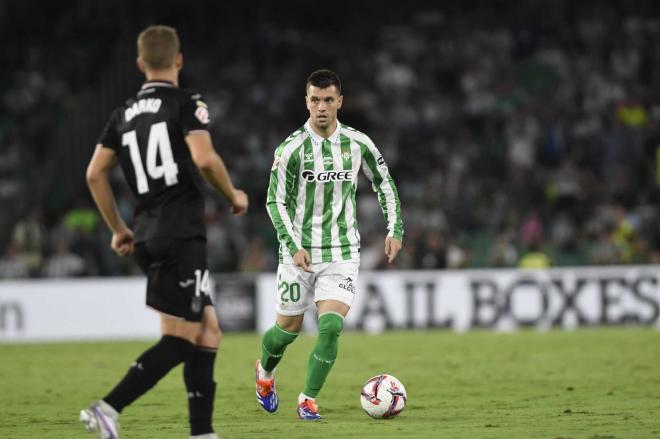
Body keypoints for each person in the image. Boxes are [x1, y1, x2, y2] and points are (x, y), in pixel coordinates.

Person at [79, 25, 248, 439]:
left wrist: (119, 228)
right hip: (180, 235)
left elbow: (95, 174)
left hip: (148, 233)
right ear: (179, 60)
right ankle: (106, 409)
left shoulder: (122, 113)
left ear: (140, 64)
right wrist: (233, 194)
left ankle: (202, 433)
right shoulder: (186, 102)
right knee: (180, 340)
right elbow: (205, 159)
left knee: (209, 330)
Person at [256, 69, 403, 420]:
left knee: (331, 325)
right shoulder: (291, 149)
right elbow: (274, 202)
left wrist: (395, 228)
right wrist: (292, 245)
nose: (321, 107)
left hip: (341, 252)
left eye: (328, 100)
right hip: (298, 254)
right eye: (315, 100)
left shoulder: (359, 143)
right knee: (285, 332)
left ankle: (307, 398)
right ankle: (264, 374)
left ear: (340, 101)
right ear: (306, 102)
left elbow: (384, 183)